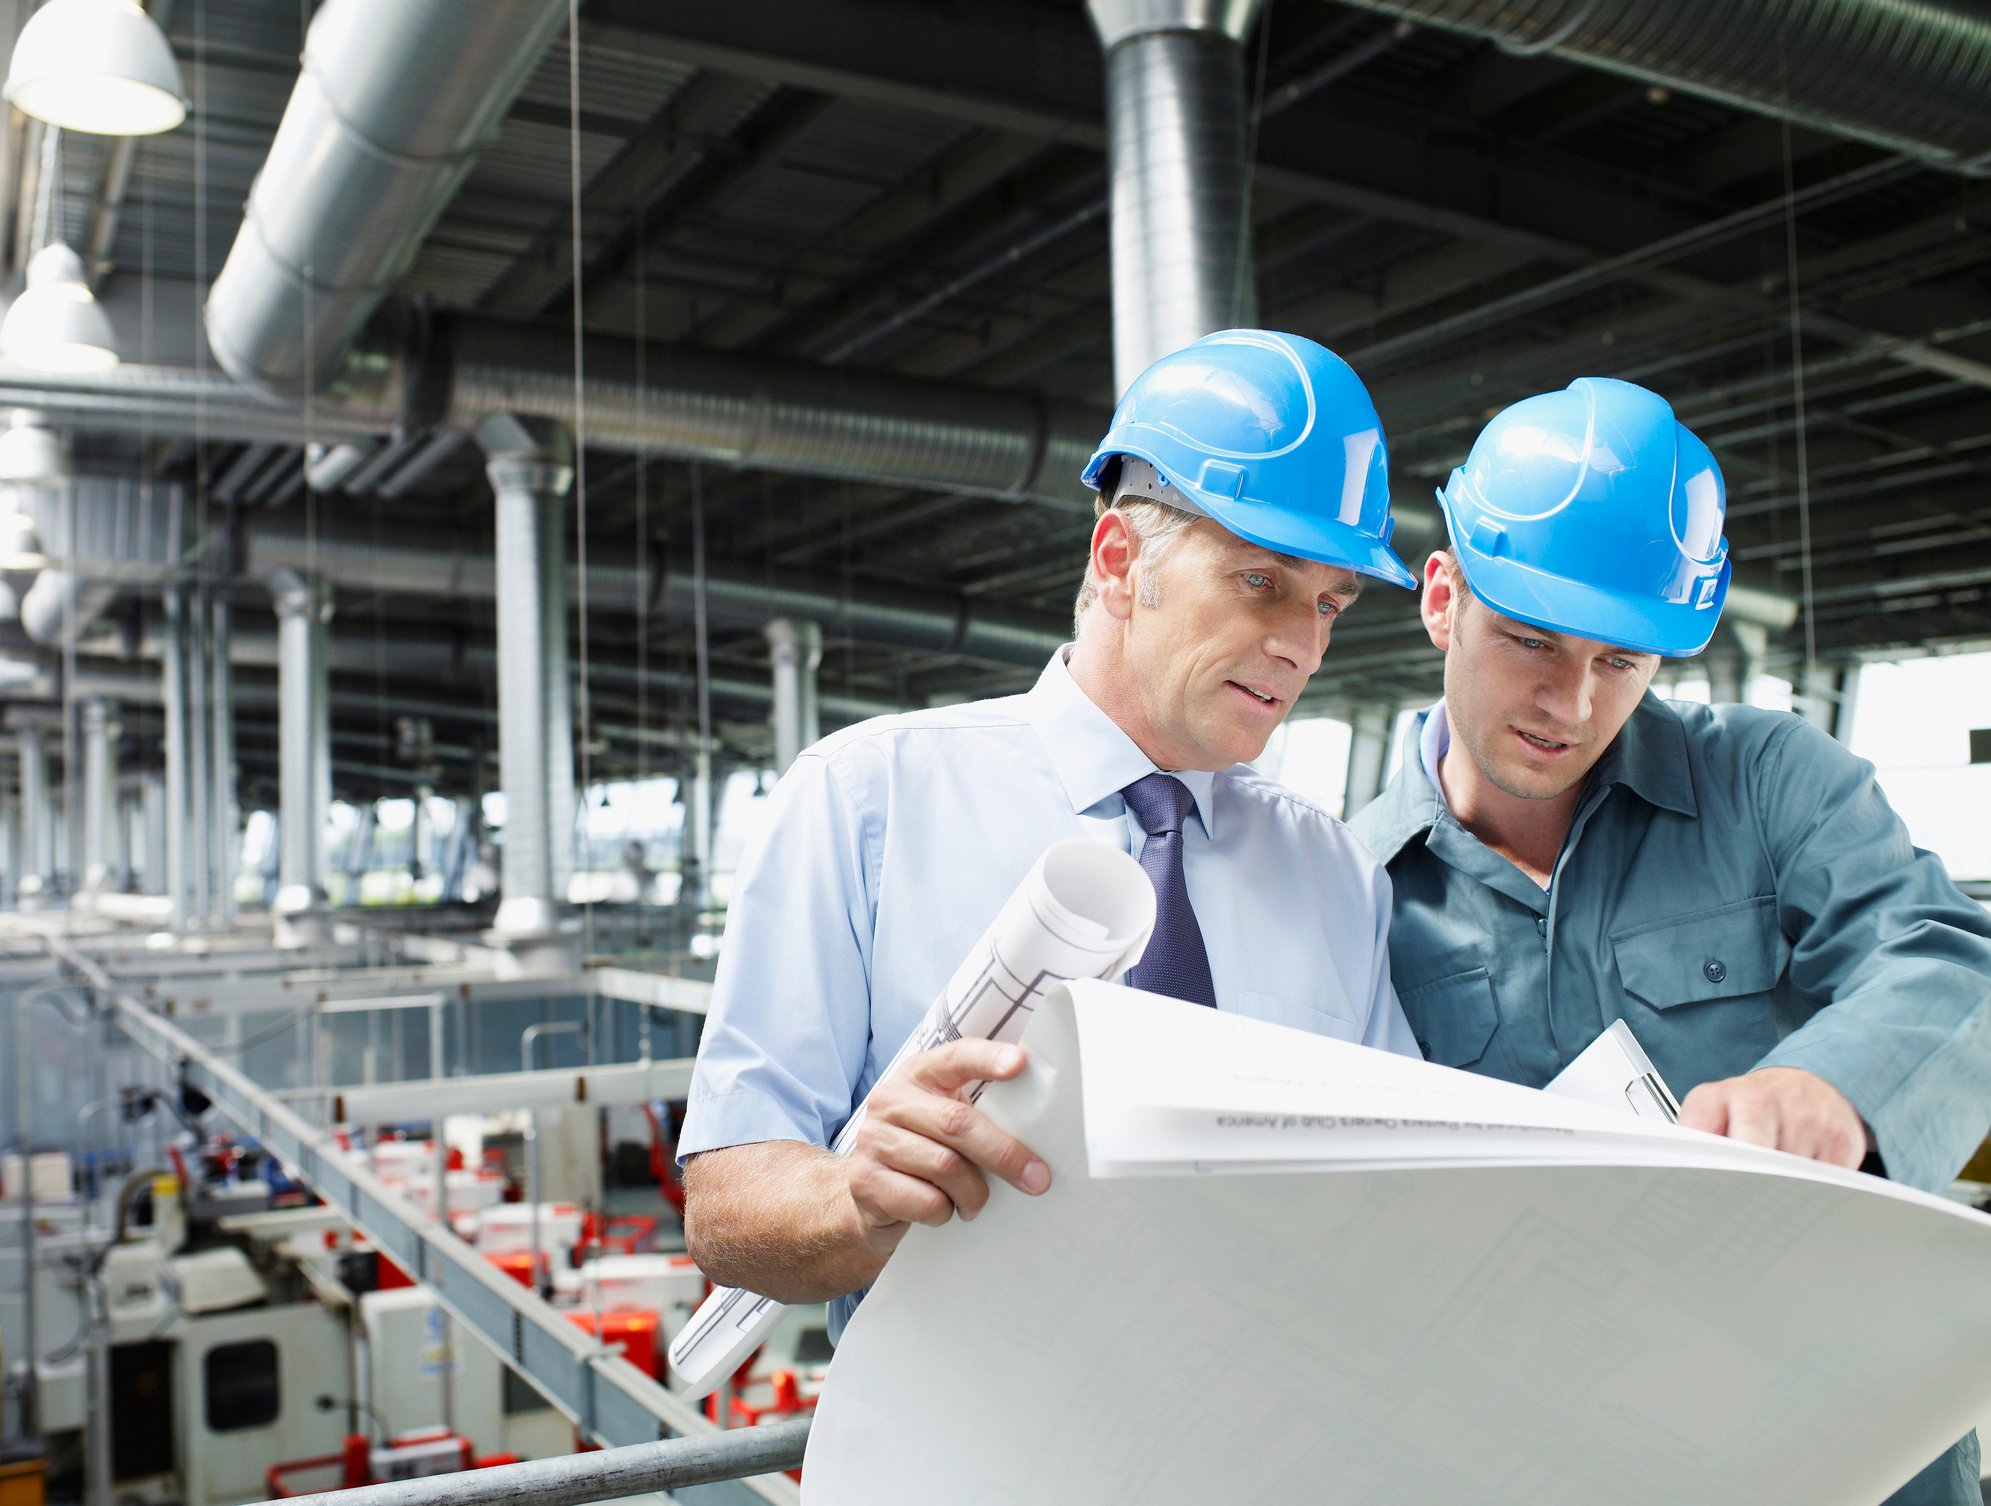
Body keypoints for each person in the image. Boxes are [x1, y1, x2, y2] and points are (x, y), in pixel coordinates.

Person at [679, 328, 1422, 1342]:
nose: (1301, 643)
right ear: (1119, 562)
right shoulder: (866, 803)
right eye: (1260, 581)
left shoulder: (1332, 871)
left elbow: (1397, 1192)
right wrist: (852, 1197)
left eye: (1329, 603)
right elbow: (725, 1209)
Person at [1347, 375, 1991, 1506]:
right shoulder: (1347, 889)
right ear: (1440, 597)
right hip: (1558, 1447)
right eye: (1530, 642)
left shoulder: (1766, 781)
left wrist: (1831, 1086)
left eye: (1619, 663)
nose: (1570, 706)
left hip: (1852, 1436)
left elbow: (1946, 958)